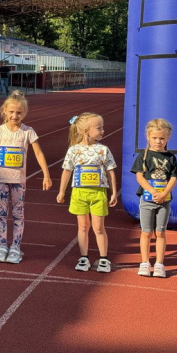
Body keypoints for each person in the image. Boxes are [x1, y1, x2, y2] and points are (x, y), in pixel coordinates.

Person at [0, 90, 52, 263]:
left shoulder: (27, 132)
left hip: (19, 181)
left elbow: (39, 154)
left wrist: (46, 175)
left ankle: (15, 247)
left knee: (18, 214)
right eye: (11, 112)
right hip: (1, 179)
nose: (14, 115)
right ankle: (2, 246)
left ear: (24, 113)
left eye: (18, 112)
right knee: (1, 214)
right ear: (5, 111)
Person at [57, 112, 117, 273]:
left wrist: (113, 192)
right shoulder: (74, 150)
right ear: (85, 131)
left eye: (102, 127)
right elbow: (66, 171)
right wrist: (62, 191)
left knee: (98, 227)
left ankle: (103, 258)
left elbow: (110, 171)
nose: (102, 130)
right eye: (99, 128)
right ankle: (84, 257)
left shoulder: (103, 150)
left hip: (98, 193)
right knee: (83, 226)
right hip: (79, 193)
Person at [131, 119, 177, 278]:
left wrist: (164, 193)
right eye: (155, 138)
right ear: (148, 136)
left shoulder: (171, 158)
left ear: (167, 139)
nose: (158, 141)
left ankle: (159, 263)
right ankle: (145, 262)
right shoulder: (143, 156)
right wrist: (153, 191)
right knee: (146, 232)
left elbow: (173, 178)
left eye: (162, 138)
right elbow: (139, 177)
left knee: (160, 232)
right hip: (147, 201)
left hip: (164, 202)